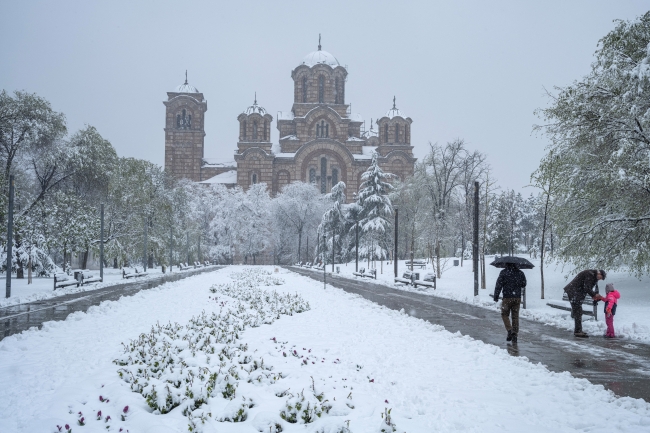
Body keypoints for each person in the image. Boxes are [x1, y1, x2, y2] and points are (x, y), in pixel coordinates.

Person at [562, 269, 606, 338]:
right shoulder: (590, 274)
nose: (599, 279)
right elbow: (587, 288)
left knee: (578, 311)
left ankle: (578, 331)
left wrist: (594, 295)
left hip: (575, 292)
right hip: (573, 292)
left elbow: (588, 288)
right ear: (599, 273)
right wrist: (594, 295)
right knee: (578, 311)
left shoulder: (592, 275)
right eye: (600, 278)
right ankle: (578, 331)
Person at [493, 263, 527, 344]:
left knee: (504, 314)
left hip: (507, 298)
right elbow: (524, 284)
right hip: (517, 298)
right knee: (515, 316)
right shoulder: (520, 273)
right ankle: (514, 334)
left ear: (506, 264)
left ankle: (509, 330)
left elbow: (499, 285)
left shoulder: (503, 272)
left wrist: (496, 296)